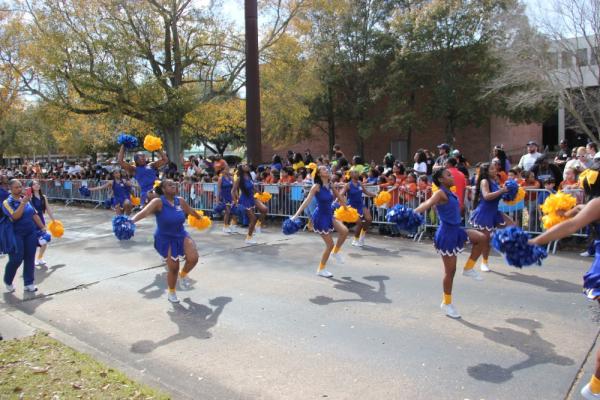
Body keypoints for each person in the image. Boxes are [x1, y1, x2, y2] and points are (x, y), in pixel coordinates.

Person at [528, 158, 600, 400]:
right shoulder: (597, 204)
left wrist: (559, 210)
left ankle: (594, 387)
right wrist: (534, 241)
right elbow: (571, 224)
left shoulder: (591, 204)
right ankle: (594, 389)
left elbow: (570, 214)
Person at [414, 168, 486, 318]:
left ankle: (469, 268)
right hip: (447, 234)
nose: (452, 176)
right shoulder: (440, 193)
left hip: (457, 230)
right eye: (448, 175)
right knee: (450, 272)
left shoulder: (450, 192)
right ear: (440, 180)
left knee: (481, 238)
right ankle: (446, 303)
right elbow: (427, 203)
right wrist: (412, 213)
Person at [131, 179, 203, 303]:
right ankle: (172, 291)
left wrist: (199, 217)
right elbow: (144, 213)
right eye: (170, 185)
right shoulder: (158, 202)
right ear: (163, 189)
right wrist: (130, 221)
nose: (174, 186)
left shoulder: (180, 200)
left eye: (174, 184)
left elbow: (190, 211)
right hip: (165, 238)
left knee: (193, 258)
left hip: (181, 235)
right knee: (174, 268)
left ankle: (183, 275)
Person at [291, 166, 349, 278]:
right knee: (330, 244)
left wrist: (347, 208)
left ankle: (335, 252)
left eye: (327, 169)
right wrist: (295, 215)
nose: (326, 170)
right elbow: (306, 202)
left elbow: (339, 196)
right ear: (319, 174)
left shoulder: (330, 185)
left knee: (345, 231)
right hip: (320, 217)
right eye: (323, 169)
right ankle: (321, 269)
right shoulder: (316, 186)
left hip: (329, 214)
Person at [3, 179, 47, 293]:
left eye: (20, 187)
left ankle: (29, 283)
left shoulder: (26, 199)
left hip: (30, 233)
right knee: (16, 259)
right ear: (10, 189)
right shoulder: (7, 202)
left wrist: (43, 228)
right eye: (16, 187)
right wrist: (23, 203)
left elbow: (34, 214)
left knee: (30, 257)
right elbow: (15, 216)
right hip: (15, 234)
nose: (19, 189)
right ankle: (8, 280)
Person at [470, 163, 513, 272]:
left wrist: (509, 193)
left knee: (512, 225)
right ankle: (484, 262)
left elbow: (497, 195)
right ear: (486, 171)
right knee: (485, 240)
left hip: (494, 211)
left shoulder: (495, 181)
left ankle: (503, 246)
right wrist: (502, 191)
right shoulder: (485, 181)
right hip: (485, 213)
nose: (495, 170)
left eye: (495, 168)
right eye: (492, 169)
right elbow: (487, 196)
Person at [232, 164, 268, 245]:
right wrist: (236, 201)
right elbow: (233, 191)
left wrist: (260, 192)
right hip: (245, 200)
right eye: (244, 166)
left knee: (264, 209)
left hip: (252, 197)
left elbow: (252, 187)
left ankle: (258, 225)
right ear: (241, 169)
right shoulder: (239, 179)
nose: (247, 166)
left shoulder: (249, 176)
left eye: (246, 165)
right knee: (253, 219)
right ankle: (249, 238)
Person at [339, 170, 376, 247]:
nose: (357, 173)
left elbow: (366, 192)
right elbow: (341, 194)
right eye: (355, 172)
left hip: (361, 205)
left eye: (357, 172)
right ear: (351, 175)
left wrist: (376, 195)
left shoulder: (360, 183)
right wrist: (343, 203)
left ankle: (362, 236)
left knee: (369, 219)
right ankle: (355, 239)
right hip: (352, 206)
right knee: (359, 223)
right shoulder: (348, 185)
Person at [29, 180, 55, 266]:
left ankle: (40, 258)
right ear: (31, 186)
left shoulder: (43, 197)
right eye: (34, 184)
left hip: (41, 220)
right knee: (33, 241)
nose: (37, 185)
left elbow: (48, 209)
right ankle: (32, 259)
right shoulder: (30, 197)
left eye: (38, 184)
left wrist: (54, 220)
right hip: (32, 221)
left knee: (45, 239)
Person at [217, 166, 234, 234]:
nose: (228, 170)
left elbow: (234, 188)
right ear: (223, 171)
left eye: (228, 169)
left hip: (230, 196)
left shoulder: (231, 178)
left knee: (230, 212)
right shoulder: (221, 178)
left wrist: (235, 197)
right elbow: (218, 189)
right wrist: (217, 199)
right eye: (226, 169)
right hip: (224, 196)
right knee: (227, 211)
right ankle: (225, 226)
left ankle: (228, 225)